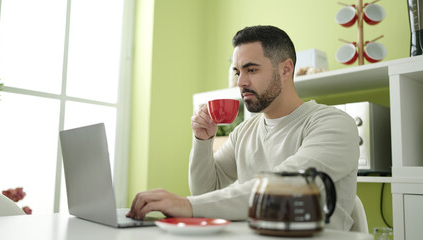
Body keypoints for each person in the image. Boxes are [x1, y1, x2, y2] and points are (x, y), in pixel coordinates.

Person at [127, 25, 359, 231]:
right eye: (238, 72)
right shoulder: (244, 132)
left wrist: (186, 205)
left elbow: (287, 187)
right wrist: (202, 141)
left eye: (252, 70)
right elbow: (206, 192)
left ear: (286, 70)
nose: (240, 82)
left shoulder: (333, 124)